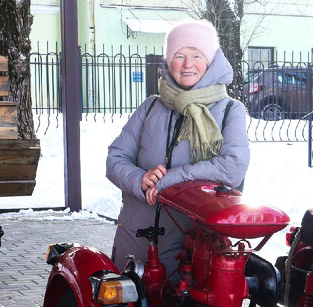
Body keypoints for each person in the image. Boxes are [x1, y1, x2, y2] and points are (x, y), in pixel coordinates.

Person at [106, 20, 249, 275]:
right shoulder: (150, 107)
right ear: (169, 61)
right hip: (135, 242)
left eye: (196, 55)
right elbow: (116, 158)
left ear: (211, 61)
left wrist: (170, 181)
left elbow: (232, 168)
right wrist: (141, 179)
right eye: (179, 55)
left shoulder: (230, 110)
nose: (187, 64)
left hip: (195, 249)